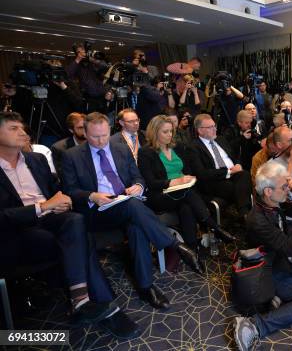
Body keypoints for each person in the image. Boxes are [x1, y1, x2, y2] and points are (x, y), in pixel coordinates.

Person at [0, 111, 139, 338]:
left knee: (76, 221)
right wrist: (42, 207)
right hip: (16, 232)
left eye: (22, 127)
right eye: (13, 128)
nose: (23, 132)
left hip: (52, 220)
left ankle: (82, 301)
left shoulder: (36, 160)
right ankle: (100, 307)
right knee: (78, 239)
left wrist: (61, 201)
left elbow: (57, 189)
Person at [61, 112, 201, 310]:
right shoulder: (72, 156)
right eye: (94, 136)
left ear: (110, 130)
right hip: (97, 211)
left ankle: (146, 287)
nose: (101, 141)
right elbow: (70, 190)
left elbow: (138, 178)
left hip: (126, 205)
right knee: (133, 207)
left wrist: (137, 186)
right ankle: (174, 245)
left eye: (104, 135)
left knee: (137, 226)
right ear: (85, 132)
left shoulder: (120, 149)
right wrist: (92, 196)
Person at [233, 162, 292, 351]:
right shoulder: (257, 220)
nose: (287, 189)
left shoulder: (274, 204)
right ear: (268, 191)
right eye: (283, 186)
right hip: (273, 271)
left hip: (286, 260)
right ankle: (255, 325)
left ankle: (281, 297)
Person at [138, 115, 236, 259]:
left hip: (182, 191)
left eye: (171, 131)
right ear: (154, 132)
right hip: (160, 194)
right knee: (188, 195)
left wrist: (188, 178)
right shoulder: (146, 152)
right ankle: (215, 228)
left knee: (187, 207)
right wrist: (175, 182)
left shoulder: (176, 146)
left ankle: (192, 249)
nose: (169, 135)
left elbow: (188, 169)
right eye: (165, 132)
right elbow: (151, 183)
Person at [187, 113, 252, 221]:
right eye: (210, 127)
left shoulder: (221, 139)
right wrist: (228, 171)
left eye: (214, 126)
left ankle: (244, 214)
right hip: (214, 181)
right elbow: (202, 174)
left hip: (234, 174)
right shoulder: (193, 147)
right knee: (239, 188)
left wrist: (238, 164)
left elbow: (233, 157)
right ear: (200, 130)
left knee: (245, 174)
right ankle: (246, 215)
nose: (214, 129)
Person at [66, 42, 107, 113]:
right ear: (76, 53)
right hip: (88, 98)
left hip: (102, 97)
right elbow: (68, 74)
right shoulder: (77, 65)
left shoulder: (93, 62)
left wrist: (93, 60)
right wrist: (78, 59)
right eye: (79, 52)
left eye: (83, 51)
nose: (82, 54)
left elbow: (104, 66)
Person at [51, 112, 87, 178]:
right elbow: (63, 175)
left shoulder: (95, 143)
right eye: (80, 128)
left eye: (86, 127)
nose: (84, 130)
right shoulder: (59, 149)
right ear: (71, 130)